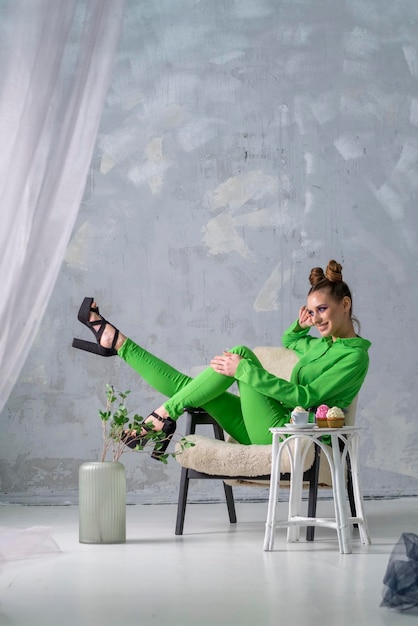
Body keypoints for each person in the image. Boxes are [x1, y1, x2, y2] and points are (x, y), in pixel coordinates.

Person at [72, 260, 371, 458]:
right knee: (187, 388)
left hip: (288, 435)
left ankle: (161, 416)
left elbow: (309, 396)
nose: (317, 319)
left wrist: (244, 371)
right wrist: (299, 325)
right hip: (265, 425)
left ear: (345, 304)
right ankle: (118, 343)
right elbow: (291, 341)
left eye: (322, 309)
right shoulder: (322, 345)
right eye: (312, 310)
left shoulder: (354, 357)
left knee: (240, 353)